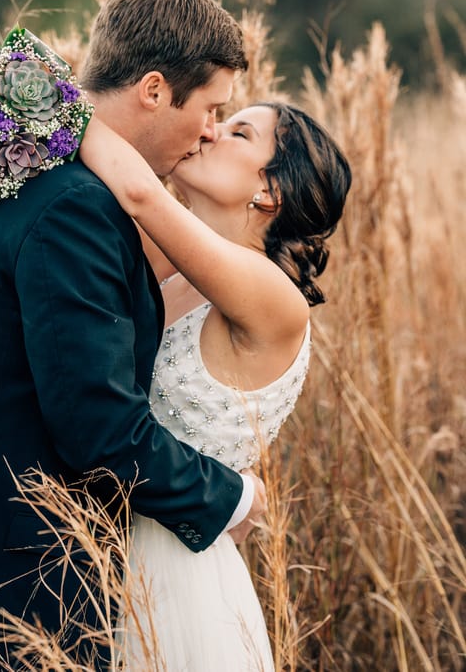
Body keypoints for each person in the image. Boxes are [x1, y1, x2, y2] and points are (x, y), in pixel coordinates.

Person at [0, 0, 266, 671]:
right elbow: (100, 428)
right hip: (7, 586)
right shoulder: (75, 205)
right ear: (152, 89)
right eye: (210, 108)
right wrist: (231, 498)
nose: (210, 131)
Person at [78, 100, 352, 670]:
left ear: (270, 193)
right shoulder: (174, 271)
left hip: (176, 568)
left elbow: (137, 193)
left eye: (238, 132)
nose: (209, 129)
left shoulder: (275, 297)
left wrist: (35, 101)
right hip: (104, 549)